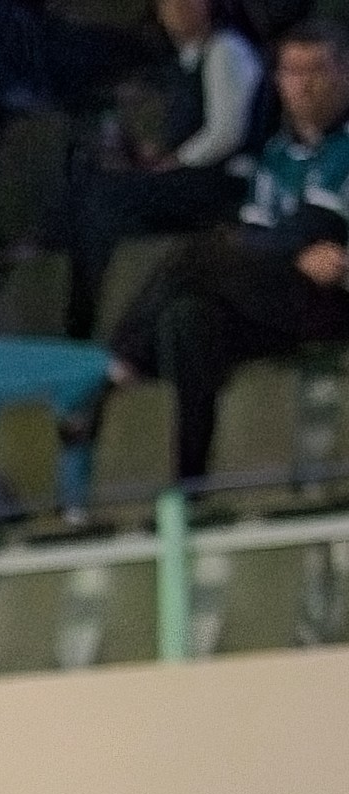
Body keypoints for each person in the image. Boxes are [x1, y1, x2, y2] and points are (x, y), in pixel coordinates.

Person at [106, 22, 349, 483]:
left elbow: (313, 230)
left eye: (317, 70)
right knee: (187, 319)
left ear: (345, 73)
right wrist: (289, 252)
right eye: (292, 72)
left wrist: (292, 247)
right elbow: (267, 239)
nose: (304, 84)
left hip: (334, 301)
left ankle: (121, 364)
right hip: (281, 294)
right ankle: (190, 487)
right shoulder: (276, 154)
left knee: (200, 256)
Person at [67, 0, 264, 332]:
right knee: (89, 188)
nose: (178, 8)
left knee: (107, 197)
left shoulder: (225, 50)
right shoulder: (182, 62)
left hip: (221, 183)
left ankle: (86, 318)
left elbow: (226, 133)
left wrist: (177, 160)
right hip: (188, 176)